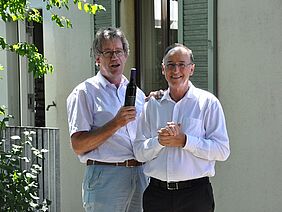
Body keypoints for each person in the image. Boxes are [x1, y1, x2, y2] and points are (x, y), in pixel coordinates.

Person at [133, 43, 230, 212]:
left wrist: (185, 141)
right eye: (170, 65)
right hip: (157, 195)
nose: (176, 70)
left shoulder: (208, 103)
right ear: (163, 69)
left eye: (181, 65)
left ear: (191, 69)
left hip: (195, 196)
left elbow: (222, 150)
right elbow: (139, 153)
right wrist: (159, 142)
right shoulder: (152, 105)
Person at [67, 27, 148, 212]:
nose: (114, 57)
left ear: (125, 55)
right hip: (106, 176)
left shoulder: (138, 94)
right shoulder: (85, 92)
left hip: (141, 175)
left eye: (118, 51)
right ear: (97, 59)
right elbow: (78, 145)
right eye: (108, 52)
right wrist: (115, 123)